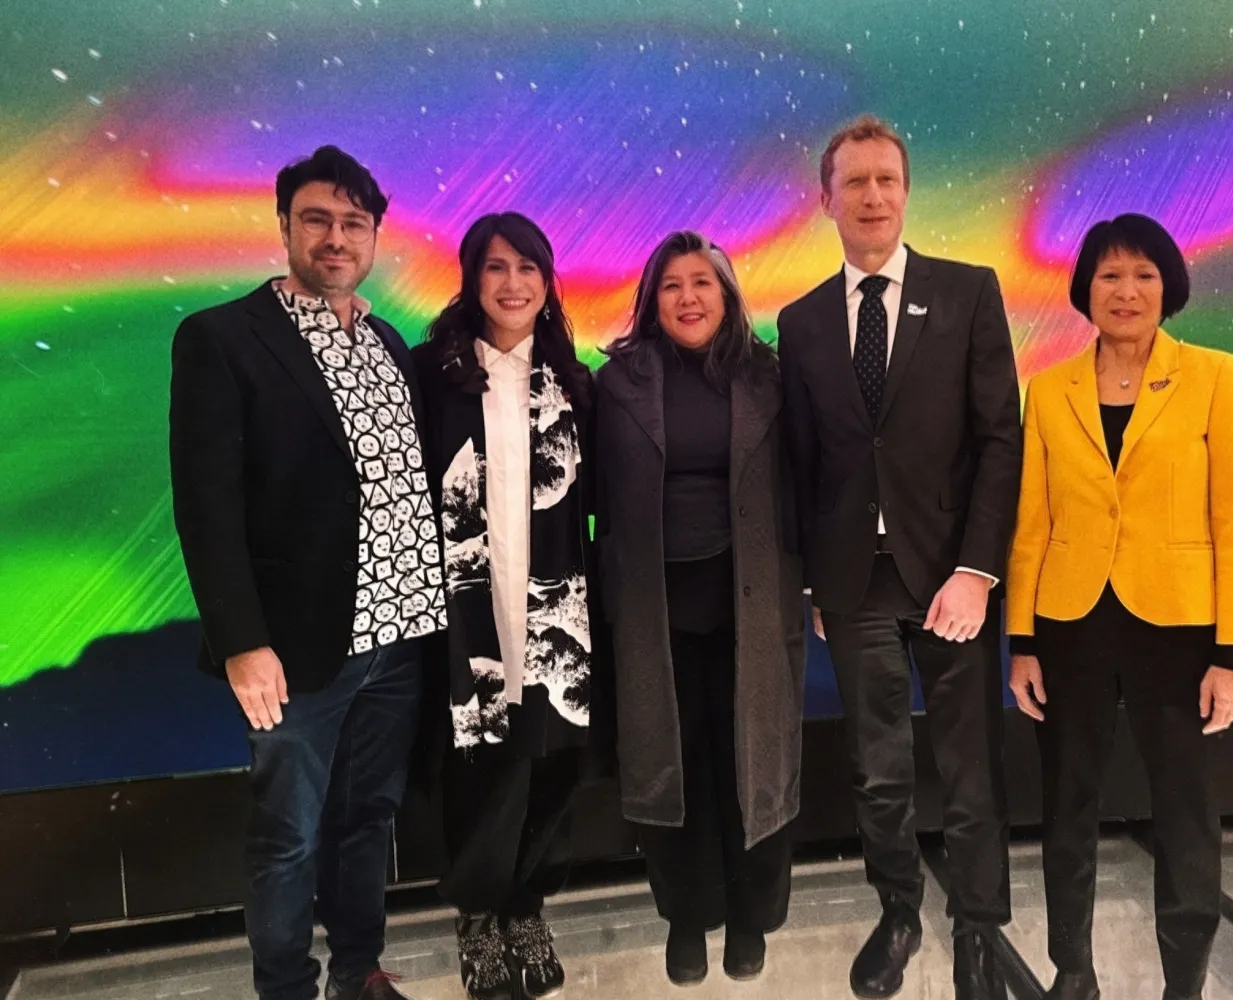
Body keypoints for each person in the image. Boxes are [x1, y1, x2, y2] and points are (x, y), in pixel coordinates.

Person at [169, 146, 444, 1000]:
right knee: (287, 836)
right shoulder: (223, 338)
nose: (336, 237)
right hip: (295, 650)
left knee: (367, 821)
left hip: (400, 638)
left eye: (354, 223)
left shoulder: (388, 340)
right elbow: (205, 506)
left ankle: (357, 970)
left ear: (374, 236)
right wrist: (242, 641)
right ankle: (285, 987)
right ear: (285, 224)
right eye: (318, 219)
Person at [777, 115, 1022, 1000]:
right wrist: (810, 575)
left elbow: (1002, 439)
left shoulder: (968, 292)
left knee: (968, 768)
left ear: (906, 191)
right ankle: (900, 910)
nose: (872, 196)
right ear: (826, 198)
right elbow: (801, 461)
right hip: (854, 587)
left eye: (887, 180)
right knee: (879, 770)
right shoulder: (800, 323)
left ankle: (979, 932)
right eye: (855, 182)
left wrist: (979, 570)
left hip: (952, 577)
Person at [1005, 213, 1233, 1000]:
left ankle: (1183, 979)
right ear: (1085, 287)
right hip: (1070, 622)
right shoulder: (1049, 388)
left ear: (1168, 286)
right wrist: (1021, 639)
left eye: (1144, 275)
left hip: (1179, 627)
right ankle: (1072, 971)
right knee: (1067, 804)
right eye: (1110, 275)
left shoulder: (1218, 376)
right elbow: (1032, 521)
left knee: (1185, 811)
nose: (1126, 291)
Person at [594, 231, 806, 986]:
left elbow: (804, 483)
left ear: (728, 295)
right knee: (672, 769)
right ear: (653, 300)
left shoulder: (769, 377)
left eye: (702, 284)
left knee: (753, 765)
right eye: (673, 285)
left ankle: (751, 921)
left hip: (752, 610)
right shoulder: (615, 383)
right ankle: (687, 919)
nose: (688, 297)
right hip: (655, 615)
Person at [410, 212, 598, 1000]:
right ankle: (479, 917)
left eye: (528, 268)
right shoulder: (433, 374)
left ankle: (527, 904)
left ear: (547, 282)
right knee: (479, 768)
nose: (512, 283)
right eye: (495, 267)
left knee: (553, 764)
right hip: (469, 613)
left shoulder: (575, 382)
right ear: (471, 278)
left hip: (558, 612)